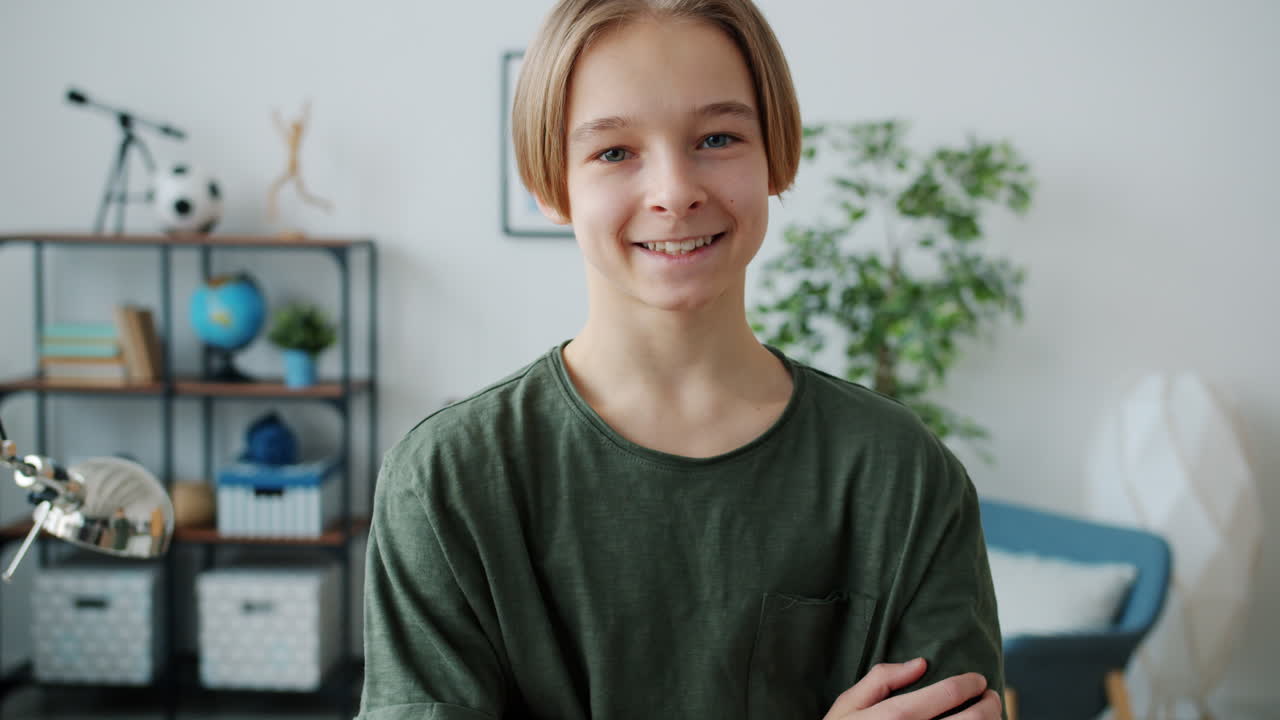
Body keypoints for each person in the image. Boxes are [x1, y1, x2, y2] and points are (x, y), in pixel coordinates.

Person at [357, 1, 1005, 718]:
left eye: (718, 137)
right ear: (550, 184)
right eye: (613, 151)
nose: (674, 192)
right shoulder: (448, 482)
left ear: (777, 158)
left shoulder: (903, 475)